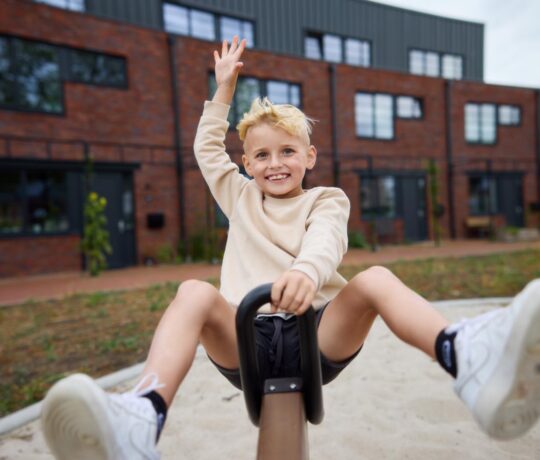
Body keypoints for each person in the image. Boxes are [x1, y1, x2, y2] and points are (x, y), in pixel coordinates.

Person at [41, 36, 540, 460]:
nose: (274, 163)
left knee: (375, 281)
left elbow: (327, 240)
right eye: (261, 155)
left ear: (309, 156)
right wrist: (223, 91)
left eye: (286, 151)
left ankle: (465, 354)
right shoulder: (239, 196)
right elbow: (205, 150)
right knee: (192, 291)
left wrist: (305, 272)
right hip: (246, 337)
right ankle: (144, 413)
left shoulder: (327, 199)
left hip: (315, 333)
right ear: (248, 164)